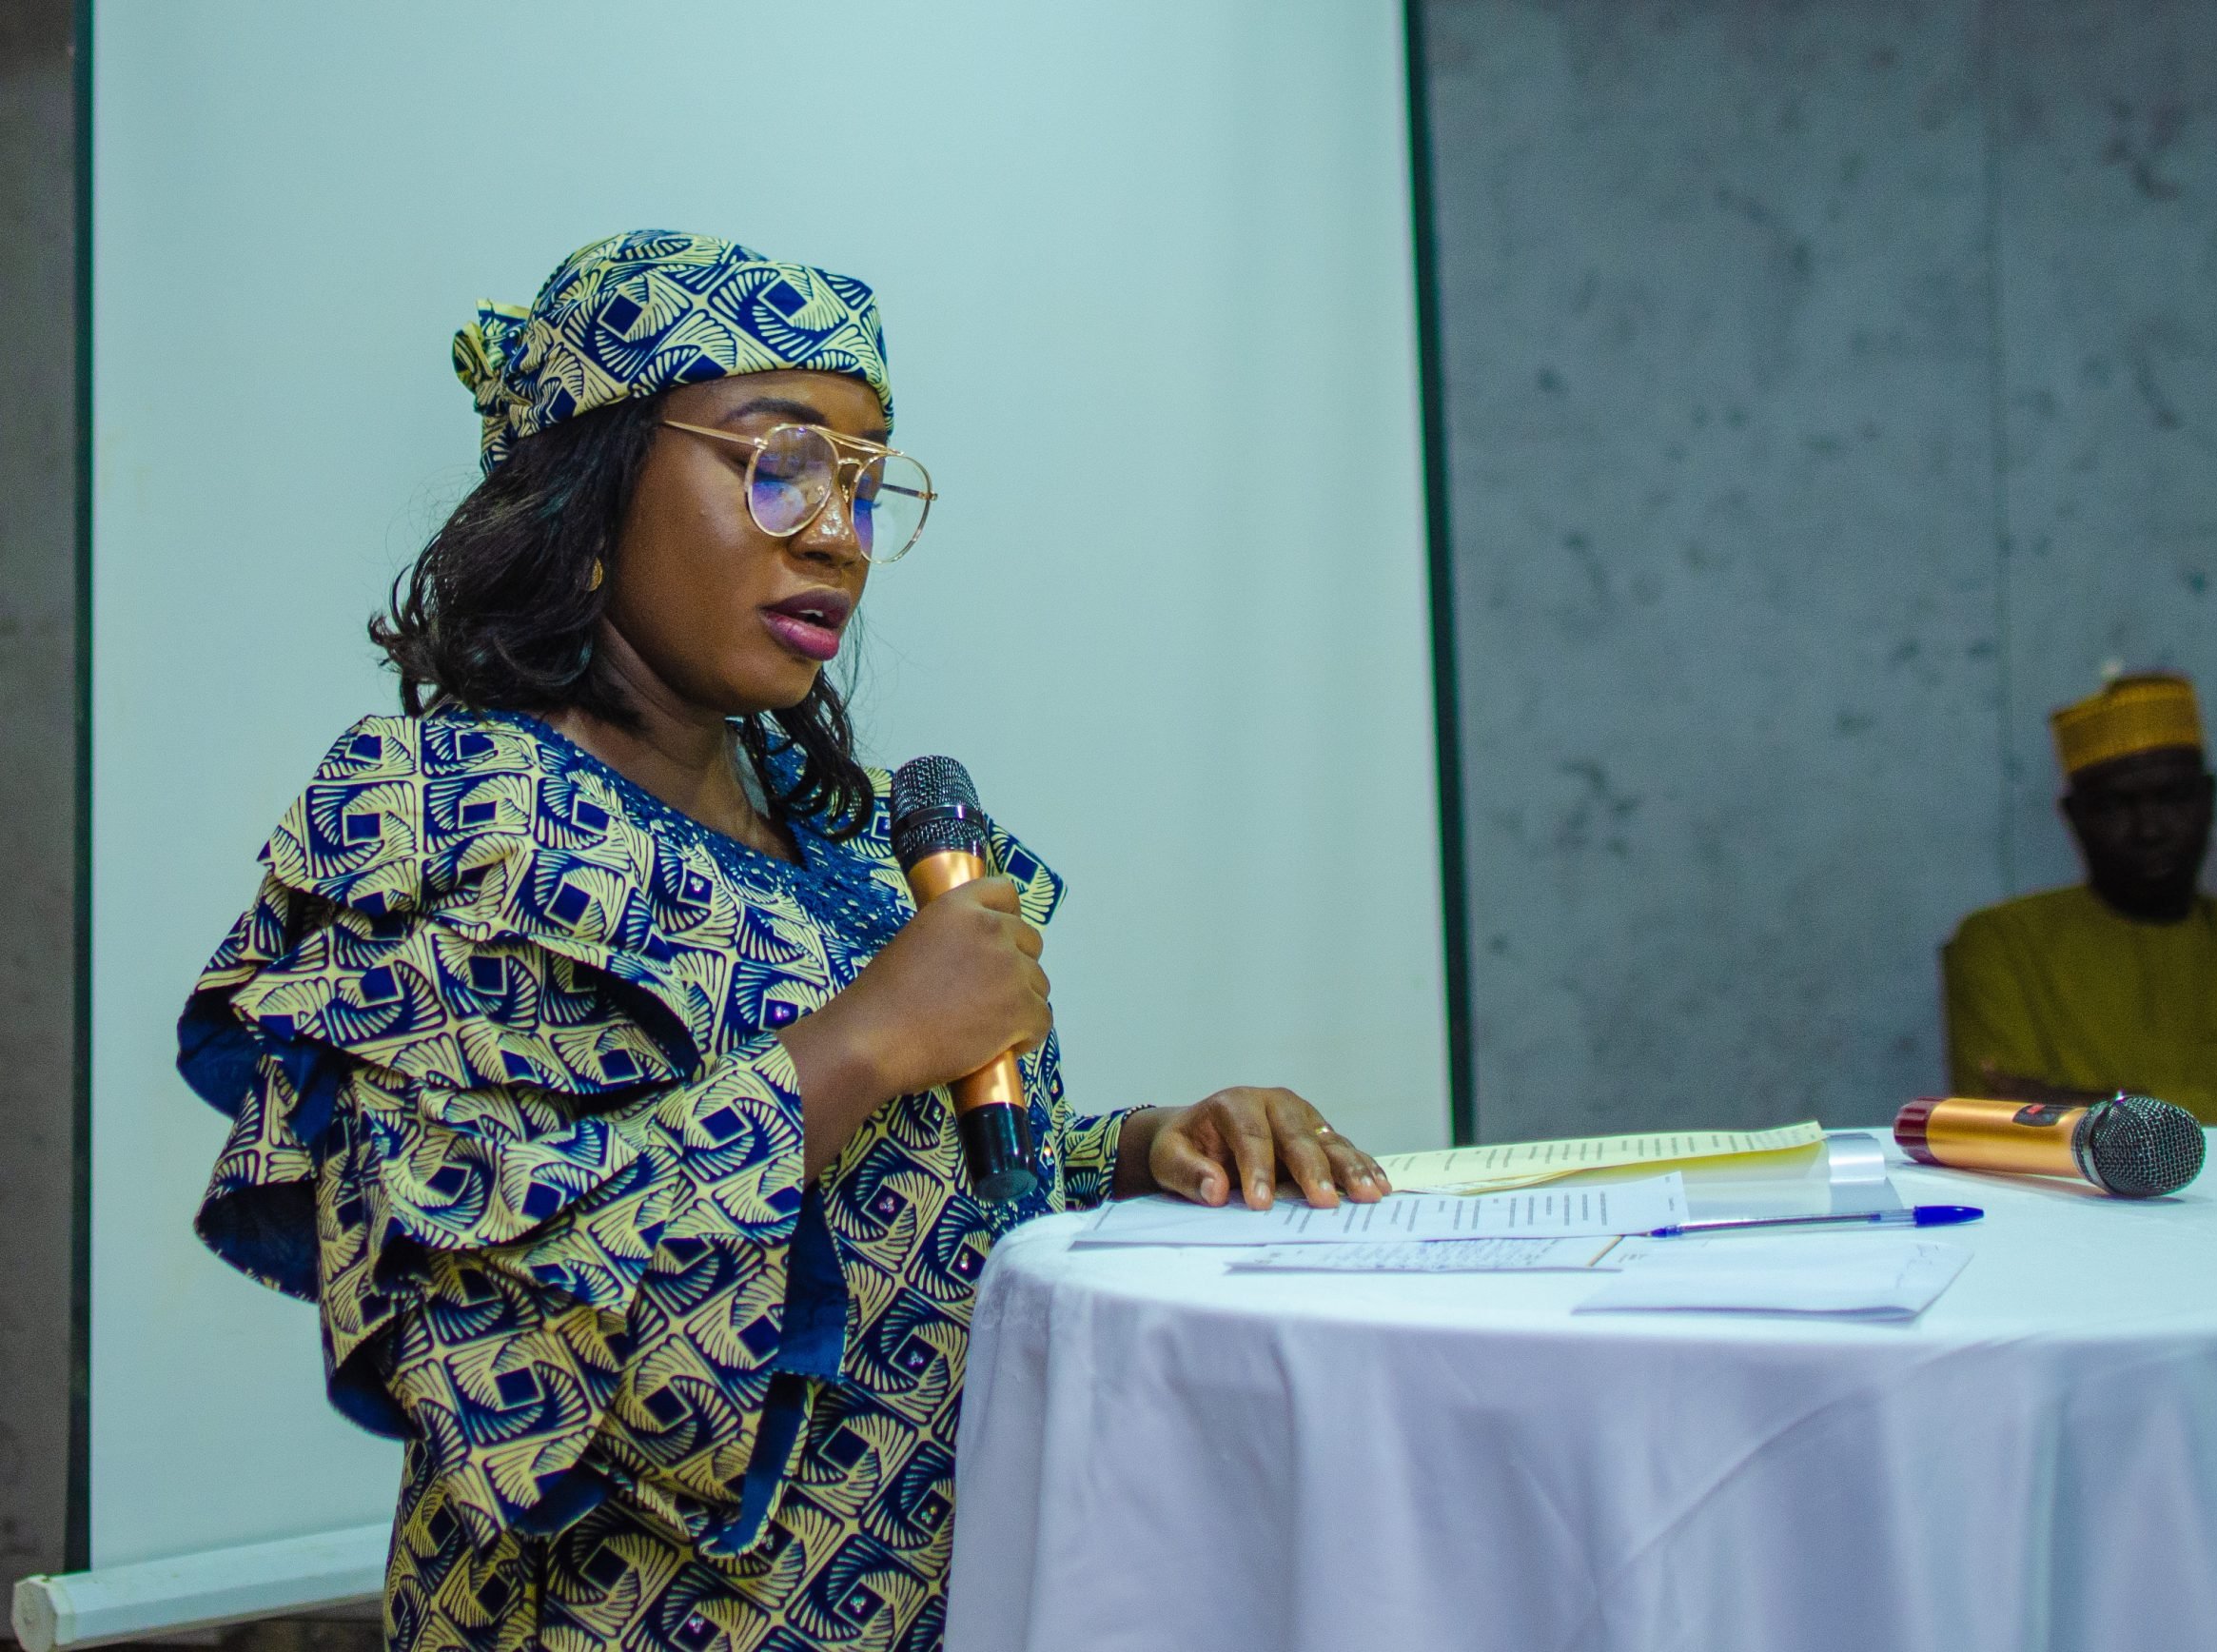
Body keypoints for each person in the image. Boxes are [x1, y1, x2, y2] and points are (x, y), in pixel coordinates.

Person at [177, 229, 1389, 1652]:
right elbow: (488, 1306)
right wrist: (866, 1040)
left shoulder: (832, 828)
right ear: (592, 486)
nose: (835, 534)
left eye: (866, 483)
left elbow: (901, 1191)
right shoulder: (447, 820)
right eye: (777, 462)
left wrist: (1146, 1149)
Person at [1940, 671, 2217, 1127]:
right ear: (2075, 817)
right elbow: (2005, 1121)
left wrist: (2083, 1105)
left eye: (2172, 798)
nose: (2149, 829)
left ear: (2209, 800)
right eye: (2116, 806)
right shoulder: (2002, 943)